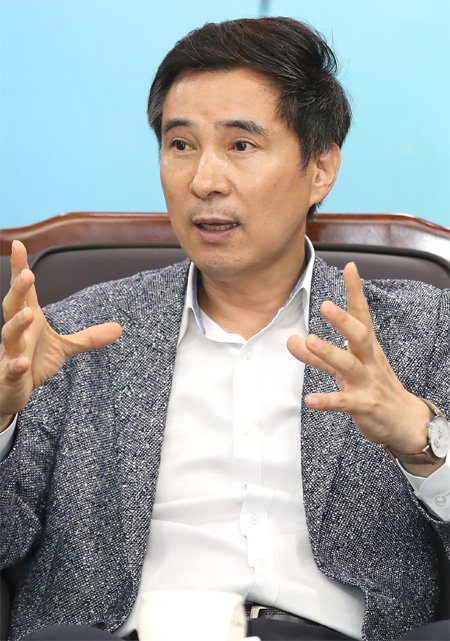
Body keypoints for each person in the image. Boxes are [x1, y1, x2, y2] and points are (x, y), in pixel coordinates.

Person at [0, 16, 449, 641]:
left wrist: (423, 445)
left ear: (321, 167)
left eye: (241, 145)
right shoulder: (74, 336)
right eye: (181, 145)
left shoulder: (424, 331)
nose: (204, 181)